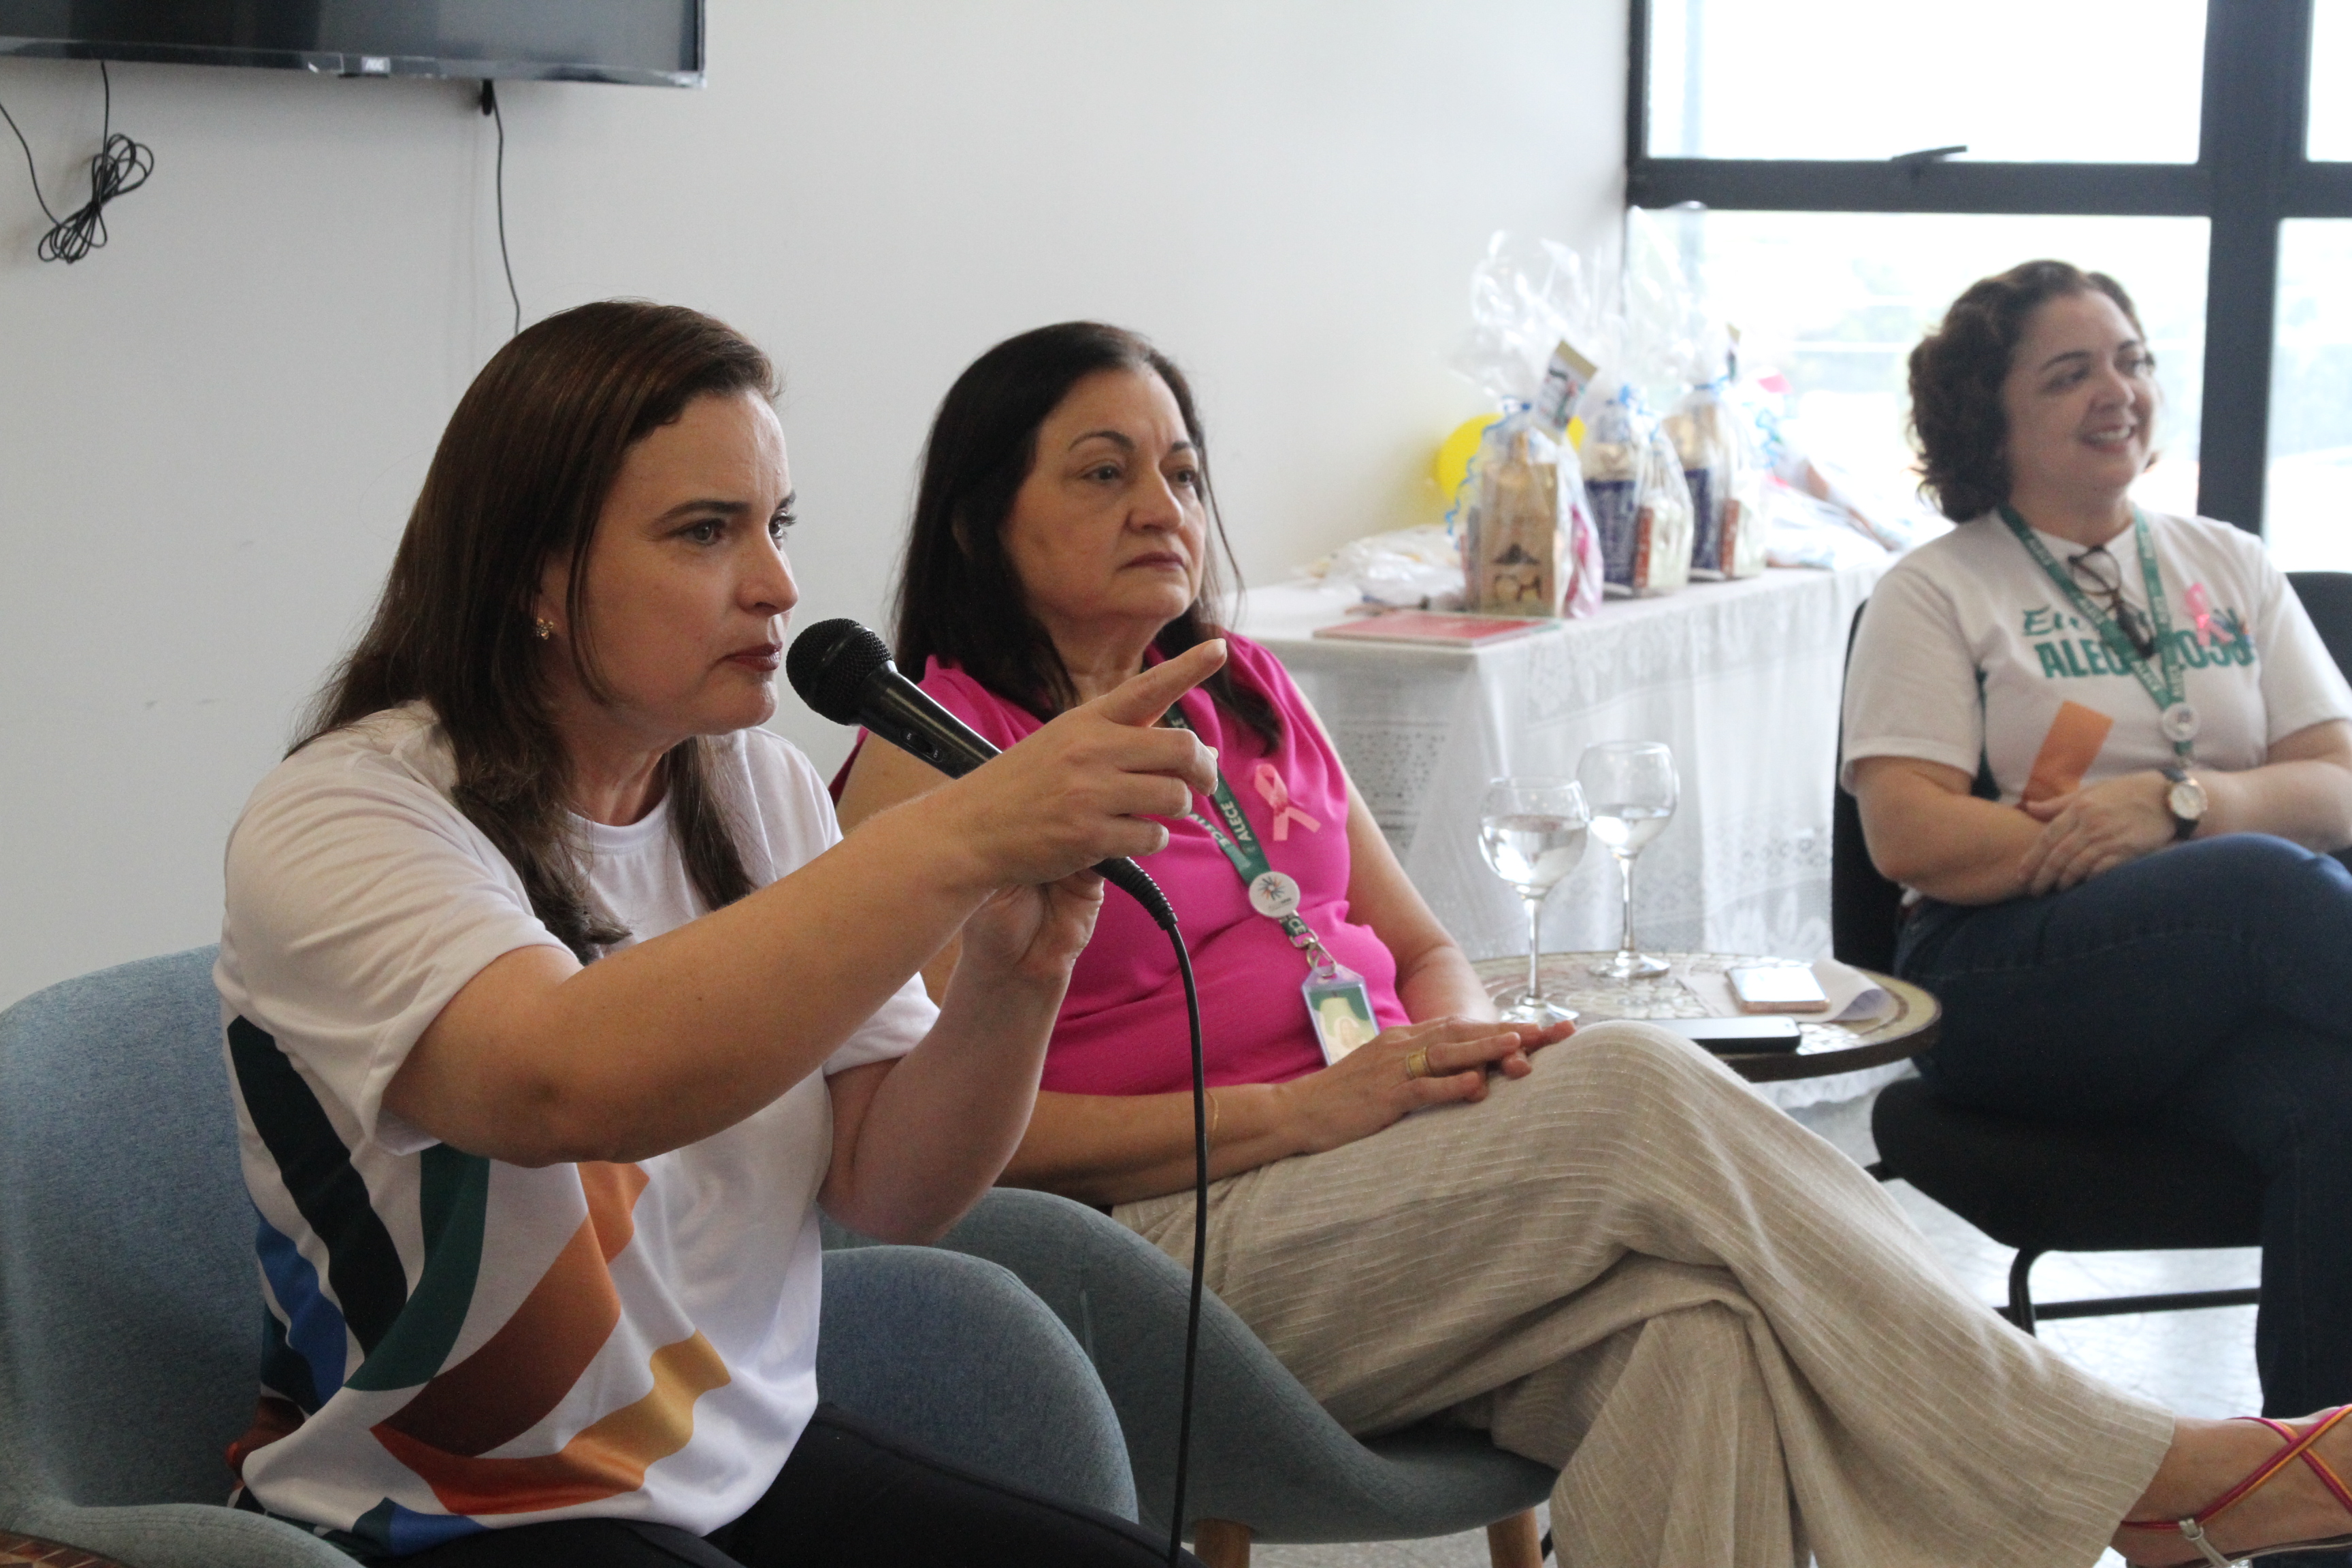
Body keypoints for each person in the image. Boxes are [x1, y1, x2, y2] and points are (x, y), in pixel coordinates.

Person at [837, 318, 2352, 1568]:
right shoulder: (937, 756)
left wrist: (1441, 1045)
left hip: (1374, 1165)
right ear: (983, 516)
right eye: (1103, 474)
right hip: (1166, 1238)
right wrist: (1306, 1110)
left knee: (1695, 1334)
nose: (1162, 505)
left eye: (1179, 469)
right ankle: (2149, 1479)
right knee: (1632, 1092)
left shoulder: (1242, 696)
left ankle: (2132, 1496)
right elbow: (944, 1156)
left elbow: (1424, 941)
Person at [213, 301, 1224, 1567]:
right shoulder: (346, 815)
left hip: (738, 1465)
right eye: (707, 533)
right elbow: (562, 1080)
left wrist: (1015, 981)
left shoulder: (756, 785)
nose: (779, 585)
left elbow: (891, 1186)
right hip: (447, 1514)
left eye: (776, 526)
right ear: (534, 571)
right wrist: (958, 839)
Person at [1844, 259, 2352, 1436]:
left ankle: (2306, 1514)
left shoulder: (2229, 562)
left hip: (2228, 982)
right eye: (2070, 374)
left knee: (2335, 1102)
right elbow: (1908, 832)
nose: (2115, 391)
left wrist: (2176, 810)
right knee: (2258, 885)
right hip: (2006, 982)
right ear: (1993, 418)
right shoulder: (1937, 591)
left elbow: (2339, 783)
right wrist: (2143, 851)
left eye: (2130, 361)